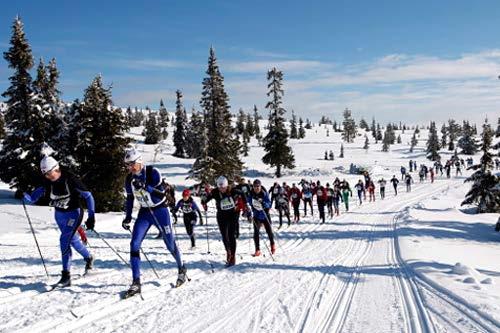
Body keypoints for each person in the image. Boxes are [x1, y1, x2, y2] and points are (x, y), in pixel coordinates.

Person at [122, 148, 186, 297]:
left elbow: (160, 194)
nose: (130, 167)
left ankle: (182, 268)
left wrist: (144, 186)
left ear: (139, 161)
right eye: (127, 165)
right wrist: (127, 217)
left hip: (160, 210)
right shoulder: (128, 179)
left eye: (132, 164)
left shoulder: (153, 172)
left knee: (169, 243)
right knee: (134, 244)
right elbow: (130, 198)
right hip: (144, 212)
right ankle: (136, 282)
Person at [23, 156, 95, 288]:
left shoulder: (70, 179)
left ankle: (66, 276)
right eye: (45, 174)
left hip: (74, 213)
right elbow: (33, 198)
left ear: (56, 169)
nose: (47, 176)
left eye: (49, 173)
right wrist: (25, 194)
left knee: (64, 240)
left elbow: (88, 196)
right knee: (72, 240)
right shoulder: (47, 181)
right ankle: (88, 257)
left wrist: (91, 217)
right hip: (59, 215)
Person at [202, 176, 250, 267]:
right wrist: (204, 202)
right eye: (220, 187)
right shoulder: (215, 192)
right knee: (224, 235)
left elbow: (243, 194)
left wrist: (246, 204)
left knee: (231, 235)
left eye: (223, 187)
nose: (222, 189)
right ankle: (228, 251)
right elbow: (206, 198)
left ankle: (233, 256)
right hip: (221, 215)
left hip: (233, 214)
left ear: (226, 186)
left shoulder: (233, 190)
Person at [248, 179, 275, 256]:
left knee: (269, 231)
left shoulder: (264, 193)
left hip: (265, 215)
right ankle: (257, 250)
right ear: (253, 187)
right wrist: (249, 211)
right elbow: (248, 202)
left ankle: (272, 245)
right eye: (255, 186)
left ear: (260, 186)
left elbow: (269, 203)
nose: (257, 188)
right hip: (256, 216)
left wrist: (263, 203)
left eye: (258, 186)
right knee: (256, 233)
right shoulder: (251, 193)